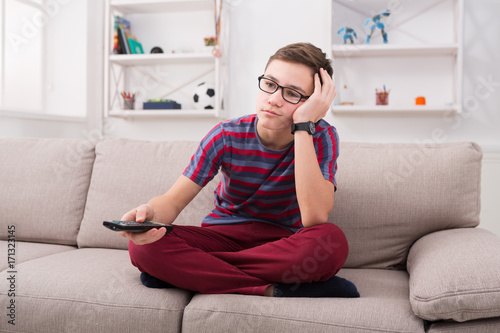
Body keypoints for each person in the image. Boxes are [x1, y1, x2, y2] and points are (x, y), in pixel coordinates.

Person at [118, 42, 359, 298]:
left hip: (282, 244)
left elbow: (315, 217)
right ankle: (270, 288)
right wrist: (149, 213)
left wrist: (303, 126)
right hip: (222, 236)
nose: (273, 99)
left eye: (292, 94)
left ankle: (195, 273)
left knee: (331, 242)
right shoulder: (226, 134)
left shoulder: (322, 136)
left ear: (315, 103)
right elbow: (173, 201)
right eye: (270, 84)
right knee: (142, 248)